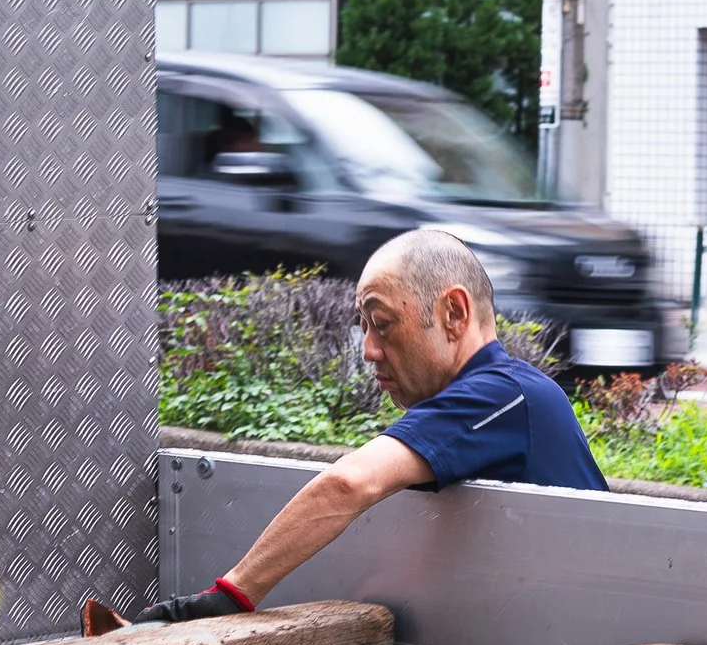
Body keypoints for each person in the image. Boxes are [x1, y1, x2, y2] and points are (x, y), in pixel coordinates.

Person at [135, 228, 606, 624]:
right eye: (363, 326)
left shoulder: (503, 396)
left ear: (454, 314)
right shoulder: (488, 401)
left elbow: (348, 483)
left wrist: (225, 599)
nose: (368, 350)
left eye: (382, 323)